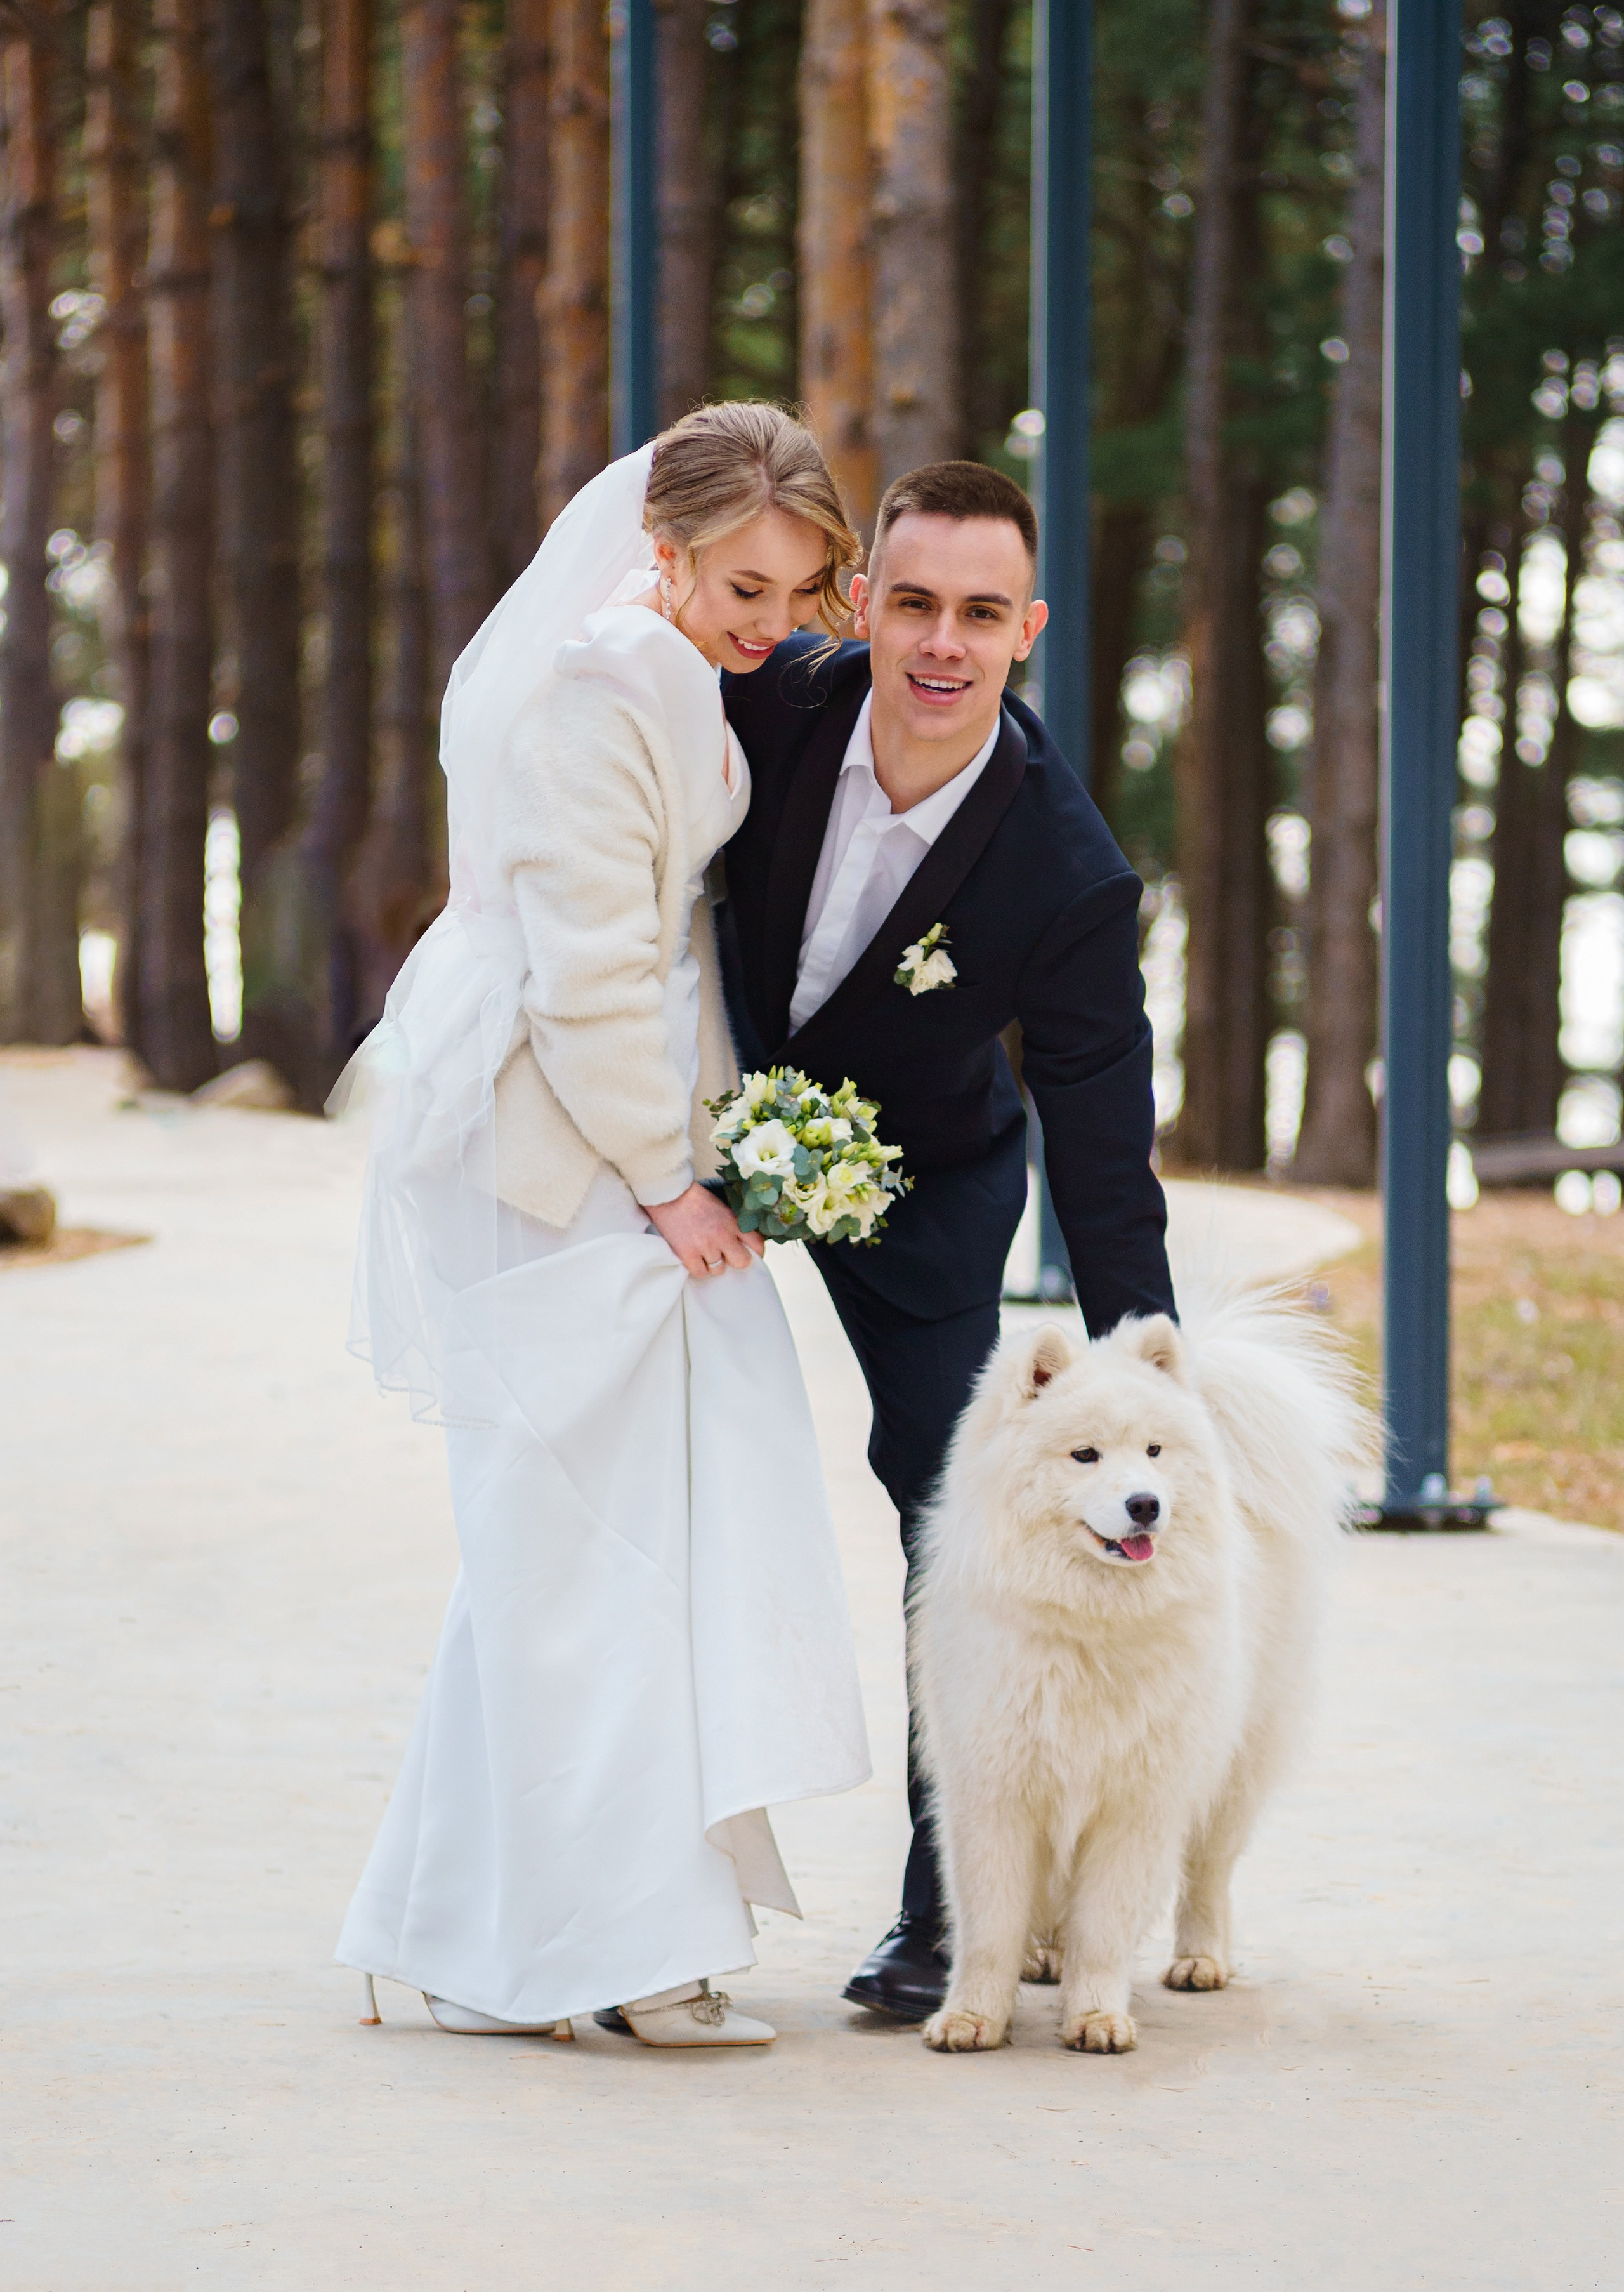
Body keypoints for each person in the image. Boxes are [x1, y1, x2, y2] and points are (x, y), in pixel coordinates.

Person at [334, 404, 870, 2048]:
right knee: (595, 1551)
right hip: (554, 1160)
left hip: (594, 1137)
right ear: (671, 547)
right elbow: (587, 972)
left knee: (564, 1546)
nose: (769, 621)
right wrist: (670, 1177)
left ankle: (457, 1920)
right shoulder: (601, 679)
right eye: (744, 583)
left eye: (794, 590)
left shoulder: (665, 667)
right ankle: (607, 1954)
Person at [719, 459, 1177, 2022]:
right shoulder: (766, 699)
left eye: (979, 615)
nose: (938, 642)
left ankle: (946, 1911)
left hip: (915, 1188)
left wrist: (1148, 1396)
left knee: (950, 1507)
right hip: (692, 1130)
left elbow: (1104, 1153)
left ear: (1024, 630)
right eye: (910, 602)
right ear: (861, 603)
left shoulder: (1065, 869)